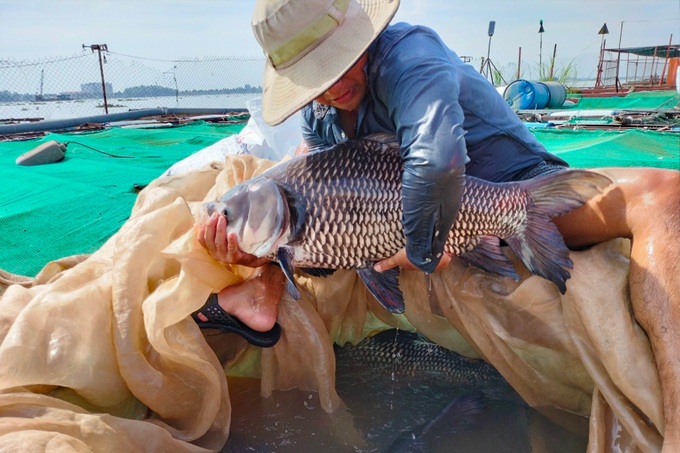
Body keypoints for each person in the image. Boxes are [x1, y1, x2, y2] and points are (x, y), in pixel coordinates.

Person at [195, 0, 680, 448]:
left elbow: (435, 163)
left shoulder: (409, 53)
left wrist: (422, 247)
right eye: (313, 75)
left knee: (663, 195)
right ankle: (260, 292)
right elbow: (324, 225)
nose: (332, 82)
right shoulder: (321, 117)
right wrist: (261, 253)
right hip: (407, 220)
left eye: (340, 58)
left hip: (517, 187)